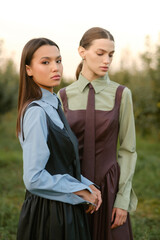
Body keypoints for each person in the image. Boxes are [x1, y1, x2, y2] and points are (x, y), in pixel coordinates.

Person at [16, 37, 102, 240]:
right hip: (48, 216)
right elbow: (33, 178)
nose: (55, 68)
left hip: (65, 208)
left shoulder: (54, 102)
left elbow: (60, 164)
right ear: (29, 69)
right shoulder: (36, 112)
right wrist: (79, 191)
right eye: (45, 62)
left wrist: (87, 185)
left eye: (59, 60)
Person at [58, 27, 138, 240]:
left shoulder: (122, 94)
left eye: (111, 55)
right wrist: (72, 188)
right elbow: (60, 151)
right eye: (100, 53)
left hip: (110, 189)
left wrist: (122, 199)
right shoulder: (63, 96)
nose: (107, 60)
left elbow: (128, 150)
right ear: (82, 52)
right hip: (74, 189)